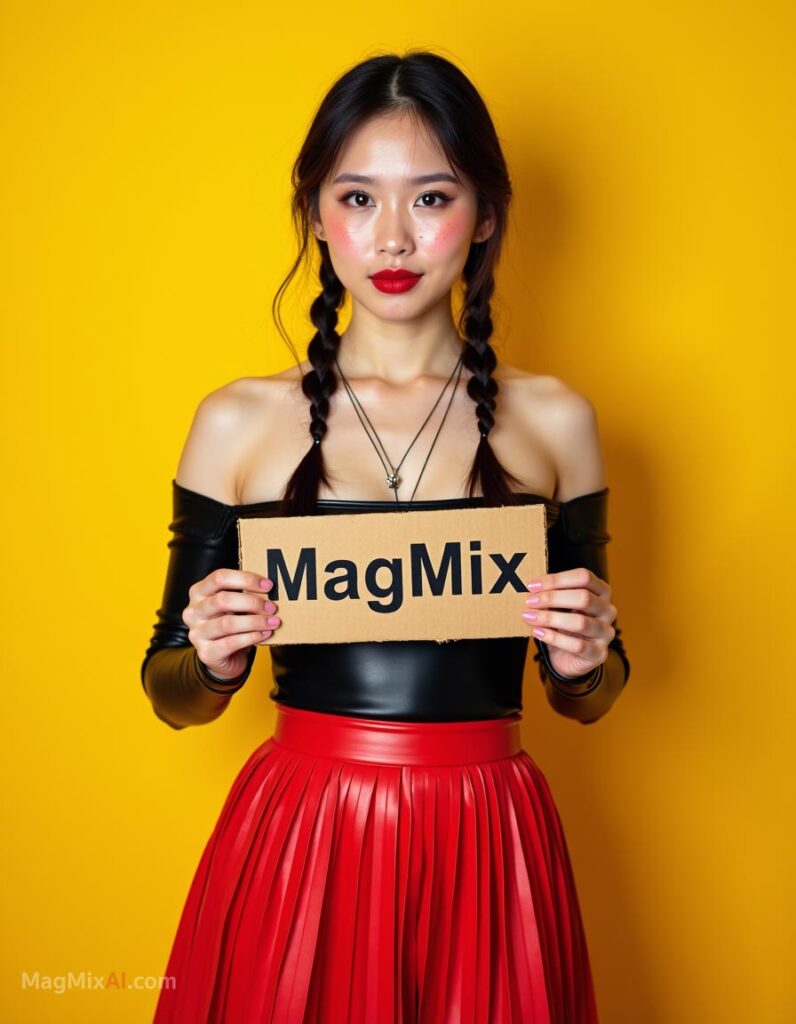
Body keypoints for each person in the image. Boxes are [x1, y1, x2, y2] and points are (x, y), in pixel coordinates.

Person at [142, 49, 630, 1024]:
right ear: (316, 216)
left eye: (432, 196)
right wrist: (212, 652)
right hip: (302, 832)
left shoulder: (556, 421)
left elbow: (592, 695)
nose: (394, 234)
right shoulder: (237, 422)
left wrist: (584, 657)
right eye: (358, 198)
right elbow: (171, 693)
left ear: (484, 214)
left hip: (490, 835)